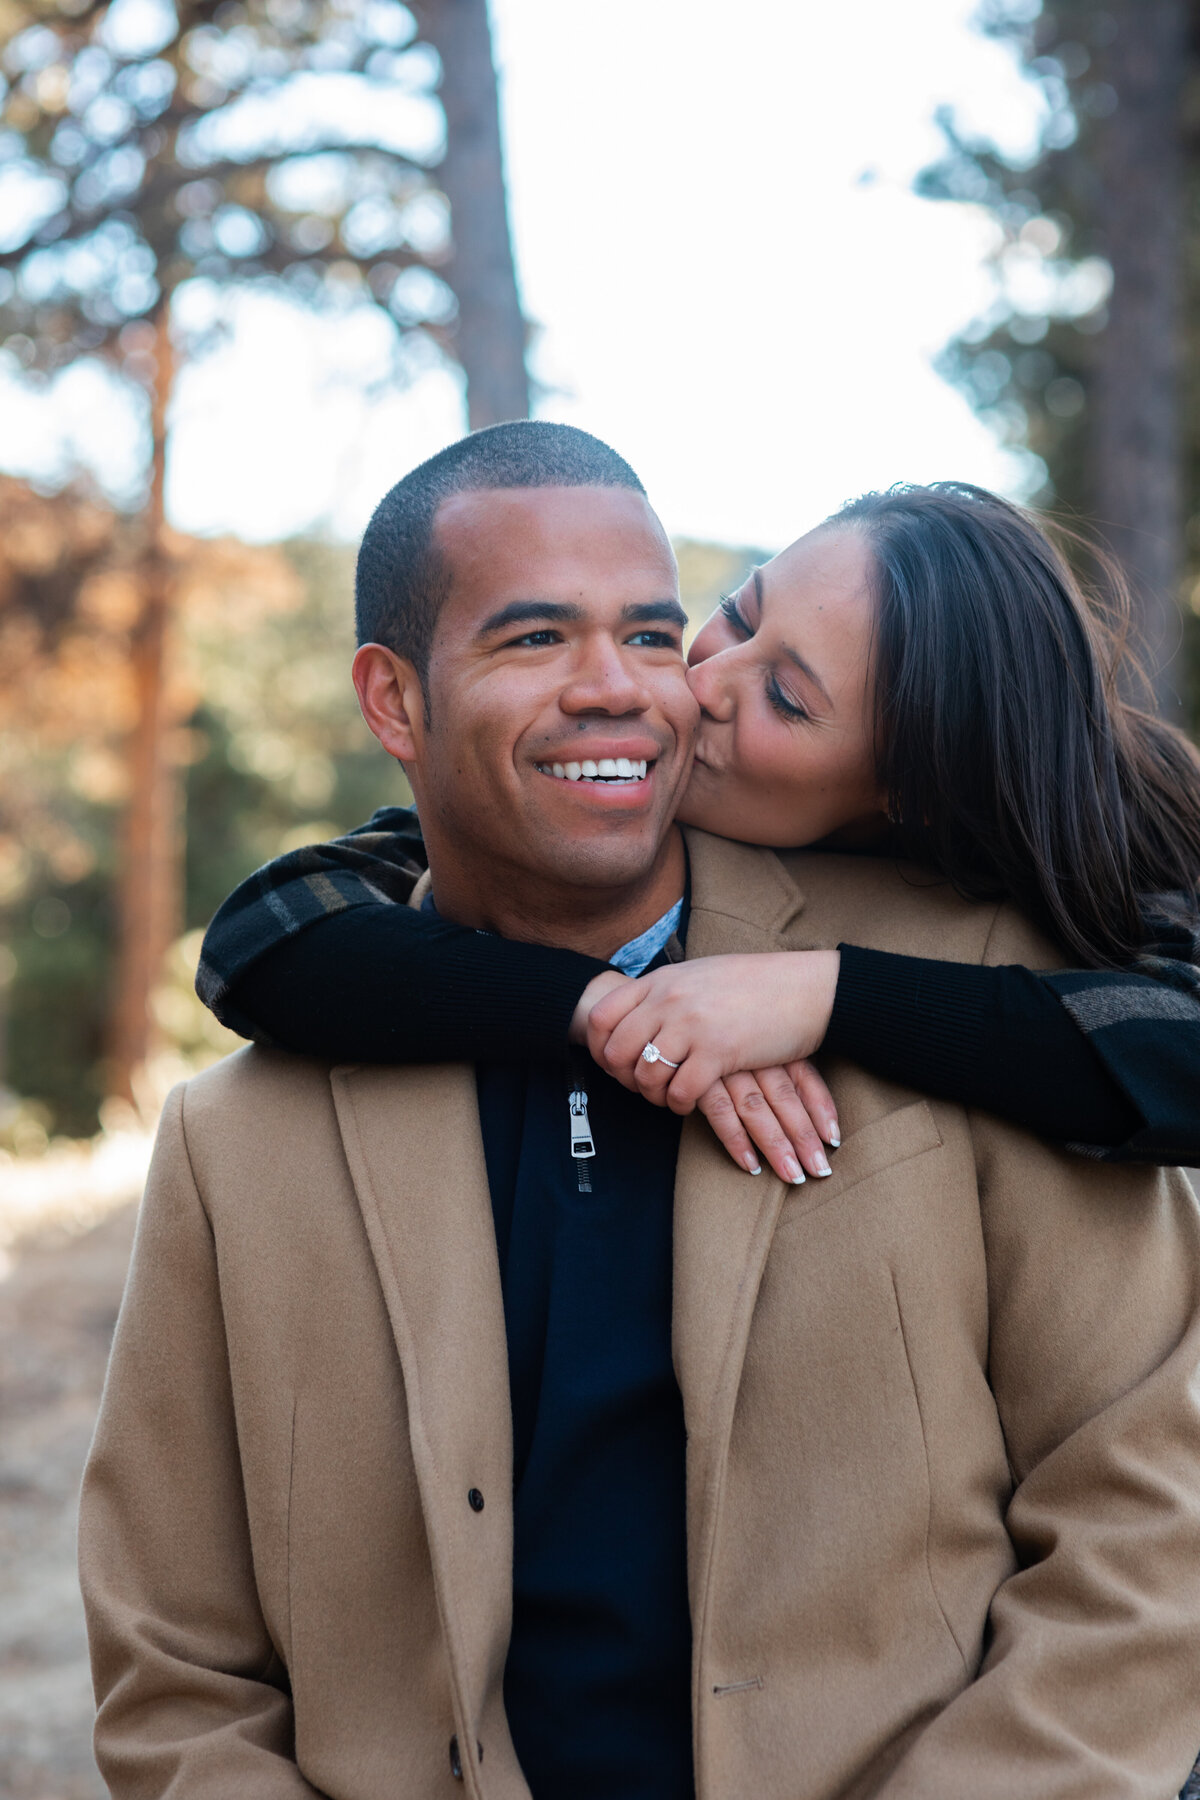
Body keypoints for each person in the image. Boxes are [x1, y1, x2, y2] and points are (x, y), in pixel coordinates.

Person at [82, 423, 1200, 1800]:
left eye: (652, 633)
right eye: (536, 638)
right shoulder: (238, 1131)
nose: (640, 690)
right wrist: (592, 1006)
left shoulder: (999, 997)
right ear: (395, 702)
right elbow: (174, 1676)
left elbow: (1150, 1531)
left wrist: (839, 997)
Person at [196, 486, 1200, 1179]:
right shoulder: (617, 792)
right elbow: (270, 931)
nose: (698, 684)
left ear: (914, 797)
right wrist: (601, 1005)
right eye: (737, 613)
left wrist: (823, 993)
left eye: (787, 698)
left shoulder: (1095, 870)